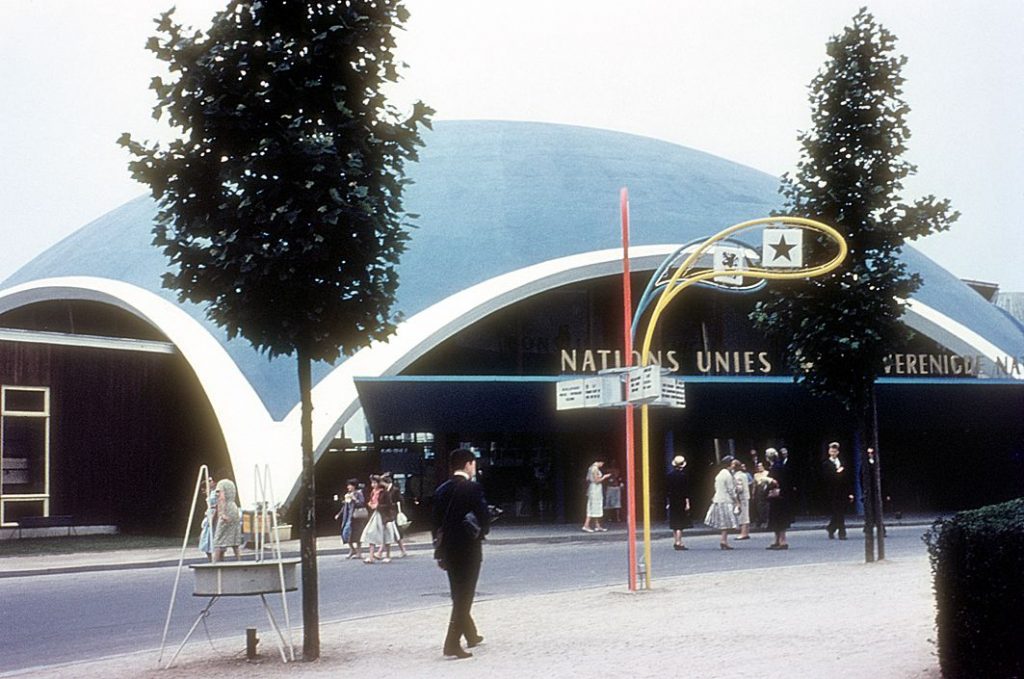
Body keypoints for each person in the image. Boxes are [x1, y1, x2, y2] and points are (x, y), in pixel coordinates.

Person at [432, 448, 490, 660]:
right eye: (473, 464)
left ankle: (471, 635)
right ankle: (451, 643)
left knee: (458, 593)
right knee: (465, 597)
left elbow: (435, 524)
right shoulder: (472, 488)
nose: (474, 468)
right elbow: (484, 518)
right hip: (468, 550)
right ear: (467, 464)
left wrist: (439, 553)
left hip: (448, 550)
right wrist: (483, 528)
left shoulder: (441, 490)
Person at [704, 456, 740, 549]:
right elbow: (730, 490)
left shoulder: (719, 474)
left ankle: (723, 540)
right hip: (725, 500)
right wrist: (737, 501)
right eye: (732, 463)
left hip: (718, 499)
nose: (733, 465)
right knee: (726, 521)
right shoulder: (727, 475)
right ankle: (723, 540)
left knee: (724, 522)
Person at [765, 448, 793, 550]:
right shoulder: (776, 466)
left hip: (779, 497)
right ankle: (777, 540)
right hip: (778, 497)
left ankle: (782, 541)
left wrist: (768, 481)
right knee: (776, 518)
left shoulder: (777, 467)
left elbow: (778, 481)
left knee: (780, 518)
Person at [823, 441, 850, 540]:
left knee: (839, 512)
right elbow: (827, 477)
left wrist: (849, 492)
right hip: (832, 491)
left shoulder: (842, 462)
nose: (833, 453)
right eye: (831, 451)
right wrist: (837, 472)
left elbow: (847, 478)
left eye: (835, 451)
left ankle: (831, 527)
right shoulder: (826, 464)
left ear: (837, 452)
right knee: (838, 512)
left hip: (842, 491)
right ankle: (842, 533)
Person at [334, 478, 366, 560]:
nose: (348, 487)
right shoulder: (348, 494)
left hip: (356, 517)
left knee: (357, 535)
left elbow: (361, 503)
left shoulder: (359, 493)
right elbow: (345, 506)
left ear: (354, 486)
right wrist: (339, 514)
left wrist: (354, 499)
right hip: (347, 517)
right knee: (346, 533)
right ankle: (352, 549)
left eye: (350, 485)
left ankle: (358, 552)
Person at [212, 477, 242, 562]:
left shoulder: (221, 483)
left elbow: (222, 498)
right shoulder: (231, 483)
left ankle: (215, 563)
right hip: (234, 508)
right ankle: (239, 561)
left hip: (226, 509)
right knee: (235, 539)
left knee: (218, 539)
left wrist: (221, 513)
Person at [665, 455, 692, 550]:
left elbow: (667, 489)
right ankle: (679, 542)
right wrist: (687, 502)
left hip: (672, 500)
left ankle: (675, 540)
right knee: (680, 522)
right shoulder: (683, 476)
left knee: (674, 521)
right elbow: (686, 491)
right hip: (681, 500)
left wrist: (668, 501)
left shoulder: (669, 475)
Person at [379, 474, 407, 559]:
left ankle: (380, 552)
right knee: (395, 532)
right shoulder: (384, 490)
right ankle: (403, 550)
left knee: (392, 531)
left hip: (393, 512)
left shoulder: (395, 490)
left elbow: (401, 501)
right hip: (388, 512)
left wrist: (392, 505)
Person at [361, 475, 386, 563]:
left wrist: (377, 506)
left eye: (375, 483)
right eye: (372, 483)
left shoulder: (383, 492)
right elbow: (371, 502)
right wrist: (370, 504)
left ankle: (379, 552)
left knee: (380, 534)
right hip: (374, 514)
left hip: (382, 515)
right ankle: (373, 555)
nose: (373, 484)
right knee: (371, 533)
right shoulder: (373, 492)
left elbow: (389, 505)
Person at [582, 459, 611, 532]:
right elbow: (597, 481)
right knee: (593, 507)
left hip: (592, 488)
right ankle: (586, 525)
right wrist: (604, 477)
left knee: (595, 507)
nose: (602, 465)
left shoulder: (590, 468)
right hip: (595, 489)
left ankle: (597, 525)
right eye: (602, 463)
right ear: (599, 462)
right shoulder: (595, 469)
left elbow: (587, 479)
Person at [197, 471, 217, 561]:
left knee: (212, 536)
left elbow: (216, 506)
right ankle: (210, 558)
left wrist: (213, 517)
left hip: (213, 514)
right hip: (209, 514)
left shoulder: (214, 493)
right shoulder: (210, 494)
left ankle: (215, 558)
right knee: (206, 537)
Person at [734, 462, 752, 540]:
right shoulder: (744, 475)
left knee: (743, 515)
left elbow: (739, 488)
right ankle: (746, 532)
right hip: (746, 496)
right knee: (746, 514)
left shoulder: (737, 476)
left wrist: (734, 492)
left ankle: (743, 533)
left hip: (741, 497)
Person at [752, 462, 772, 529]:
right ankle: (760, 520)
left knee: (766, 507)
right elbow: (754, 485)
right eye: (758, 466)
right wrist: (753, 494)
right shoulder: (756, 475)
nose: (759, 467)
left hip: (765, 491)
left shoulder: (767, 473)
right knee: (759, 507)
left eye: (761, 466)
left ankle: (766, 521)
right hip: (759, 492)